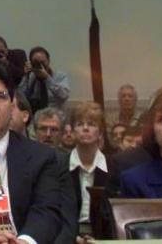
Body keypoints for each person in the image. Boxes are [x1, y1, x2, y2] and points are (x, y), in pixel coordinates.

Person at [0, 62, 62, 244]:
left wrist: (25, 242)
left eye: (0, 96)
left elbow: (46, 211)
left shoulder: (41, 157)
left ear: (12, 107)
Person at [65, 102, 109, 243]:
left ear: (100, 132)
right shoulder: (59, 166)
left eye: (91, 124)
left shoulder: (114, 168)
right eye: (79, 124)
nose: (85, 128)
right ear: (71, 131)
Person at [18, 46, 69, 112]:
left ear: (48, 61)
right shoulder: (30, 77)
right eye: (36, 63)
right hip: (34, 118)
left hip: (55, 118)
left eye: (42, 62)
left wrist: (47, 78)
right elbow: (21, 98)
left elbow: (64, 95)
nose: (40, 65)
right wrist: (25, 76)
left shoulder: (60, 76)